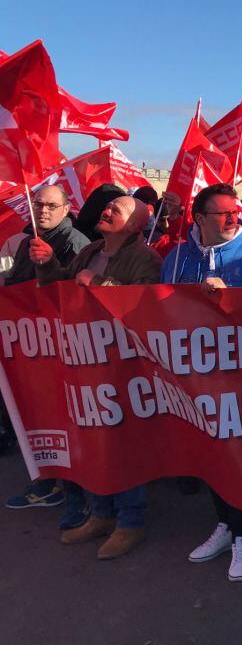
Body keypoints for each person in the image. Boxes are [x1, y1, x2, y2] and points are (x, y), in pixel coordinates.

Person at [32, 196, 162, 559]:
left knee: (123, 443)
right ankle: (102, 514)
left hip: (123, 366)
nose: (105, 212)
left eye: (116, 210)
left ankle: (130, 522)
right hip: (85, 360)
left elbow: (144, 306)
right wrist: (48, 264)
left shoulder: (146, 259)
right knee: (93, 440)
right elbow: (60, 285)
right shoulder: (90, 250)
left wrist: (100, 283)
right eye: (107, 208)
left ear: (135, 225)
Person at [162, 183, 242, 582]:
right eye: (224, 213)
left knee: (240, 455)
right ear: (199, 219)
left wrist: (232, 299)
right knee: (210, 452)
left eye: (236, 213)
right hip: (194, 376)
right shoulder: (178, 257)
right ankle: (226, 526)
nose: (234, 218)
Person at [2, 184, 91, 530]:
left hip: (62, 349)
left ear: (67, 209)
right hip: (31, 346)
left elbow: (70, 295)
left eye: (51, 206)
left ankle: (76, 495)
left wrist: (48, 266)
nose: (43, 210)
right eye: (38, 204)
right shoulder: (29, 241)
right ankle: (47, 479)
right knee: (37, 417)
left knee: (68, 423)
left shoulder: (75, 243)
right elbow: (17, 283)